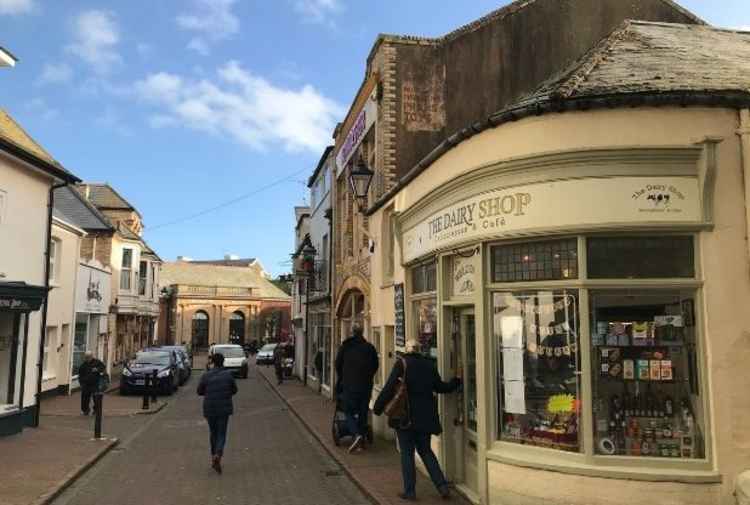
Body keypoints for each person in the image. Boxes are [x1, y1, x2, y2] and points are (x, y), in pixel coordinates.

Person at [373, 340, 461, 501]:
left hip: (405, 418)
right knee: (426, 451)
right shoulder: (429, 365)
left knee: (407, 453)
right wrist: (456, 382)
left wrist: (377, 408)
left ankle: (410, 491)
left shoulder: (402, 364)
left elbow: (388, 387)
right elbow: (440, 387)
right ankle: (442, 486)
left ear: (406, 351)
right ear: (419, 351)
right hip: (425, 419)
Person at [334, 324, 378, 453]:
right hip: (365, 386)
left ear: (352, 332)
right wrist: (367, 376)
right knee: (363, 412)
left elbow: (337, 364)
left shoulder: (345, 347)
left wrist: (343, 377)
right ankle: (362, 440)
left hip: (349, 386)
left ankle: (357, 434)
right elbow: (375, 365)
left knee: (348, 411)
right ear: (362, 332)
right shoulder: (369, 348)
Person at [197, 353, 238, 474]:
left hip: (210, 408)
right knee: (221, 433)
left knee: (213, 432)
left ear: (213, 362)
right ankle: (218, 454)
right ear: (223, 362)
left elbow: (199, 391)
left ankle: (213, 454)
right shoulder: (228, 375)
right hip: (223, 408)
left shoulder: (206, 375)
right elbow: (234, 390)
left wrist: (208, 392)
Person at [78, 351, 106, 416]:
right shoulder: (83, 365)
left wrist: (97, 369)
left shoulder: (97, 362)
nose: (87, 359)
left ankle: (95, 410)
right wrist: (81, 383)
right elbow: (80, 374)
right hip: (86, 384)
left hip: (95, 383)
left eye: (88, 357)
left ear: (91, 356)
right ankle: (85, 410)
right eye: (86, 357)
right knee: (84, 398)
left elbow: (103, 367)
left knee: (96, 398)